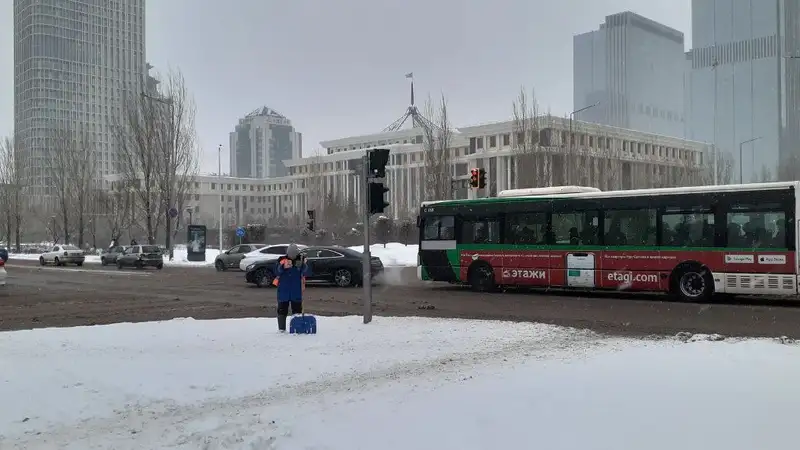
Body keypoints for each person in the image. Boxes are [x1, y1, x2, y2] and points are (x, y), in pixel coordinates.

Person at [274, 244, 309, 332]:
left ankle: (297, 328)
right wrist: (283, 267)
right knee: (282, 311)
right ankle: (281, 329)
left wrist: (303, 264)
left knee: (297, 311)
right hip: (283, 291)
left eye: (294, 254)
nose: (292, 257)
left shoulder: (300, 260)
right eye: (290, 254)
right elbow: (276, 271)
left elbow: (307, 271)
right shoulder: (282, 260)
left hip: (296, 291)